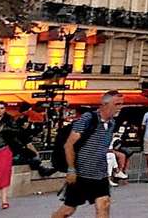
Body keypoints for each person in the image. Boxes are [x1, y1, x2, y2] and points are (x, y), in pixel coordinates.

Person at [50, 90, 122, 218]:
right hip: (82, 174)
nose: (120, 108)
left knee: (104, 204)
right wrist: (71, 170)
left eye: (121, 104)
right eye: (117, 104)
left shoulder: (112, 124)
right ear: (105, 104)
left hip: (100, 174)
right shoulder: (88, 119)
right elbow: (68, 145)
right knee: (68, 210)